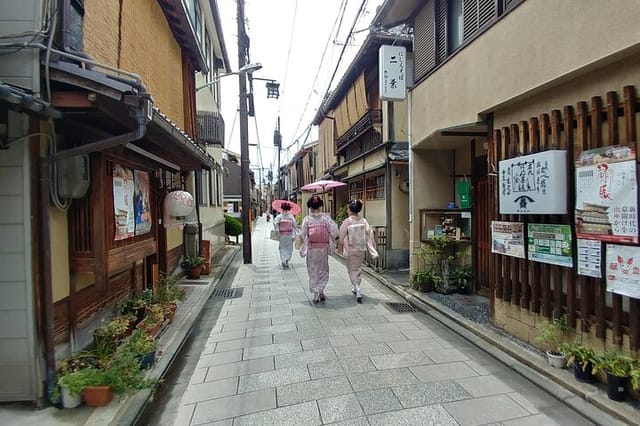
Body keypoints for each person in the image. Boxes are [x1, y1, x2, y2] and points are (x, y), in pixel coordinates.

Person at [299, 195, 339, 303]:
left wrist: (300, 244)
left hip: (312, 248)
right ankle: (321, 290)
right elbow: (334, 231)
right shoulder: (326, 218)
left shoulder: (307, 219)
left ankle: (316, 293)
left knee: (313, 270)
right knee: (323, 269)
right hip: (323, 249)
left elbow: (302, 234)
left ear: (310, 207)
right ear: (320, 206)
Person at [338, 199, 378, 303]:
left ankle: (356, 287)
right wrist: (371, 247)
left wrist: (341, 242)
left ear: (350, 210)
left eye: (347, 209)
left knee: (351, 268)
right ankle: (357, 286)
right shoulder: (363, 221)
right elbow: (370, 233)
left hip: (350, 248)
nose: (347, 210)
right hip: (361, 249)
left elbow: (341, 234)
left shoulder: (348, 221)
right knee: (358, 268)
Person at [273, 202, 297, 268]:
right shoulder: (291, 216)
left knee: (282, 247)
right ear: (289, 209)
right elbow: (294, 225)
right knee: (289, 248)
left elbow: (275, 224)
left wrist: (278, 232)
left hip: (282, 234)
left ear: (282, 208)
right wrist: (294, 234)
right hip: (289, 234)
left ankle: (283, 260)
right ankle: (286, 259)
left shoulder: (279, 216)